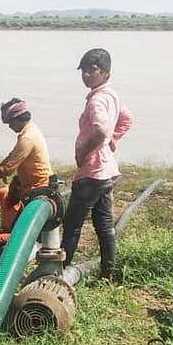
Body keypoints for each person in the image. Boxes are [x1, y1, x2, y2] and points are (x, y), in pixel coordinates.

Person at [60, 48, 133, 280]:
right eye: (83, 70)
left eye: (93, 70)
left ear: (105, 73)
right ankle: (108, 274)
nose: (86, 75)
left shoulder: (97, 100)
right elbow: (127, 120)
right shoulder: (112, 95)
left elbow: (100, 129)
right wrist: (113, 140)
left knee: (72, 224)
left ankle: (57, 273)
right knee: (104, 225)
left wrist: (83, 151)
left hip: (92, 173)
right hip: (107, 172)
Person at [0, 98, 52, 197]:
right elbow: (10, 159)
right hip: (31, 185)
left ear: (18, 119)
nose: (9, 126)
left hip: (39, 187)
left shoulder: (27, 138)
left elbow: (8, 169)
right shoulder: (31, 129)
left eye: (10, 123)